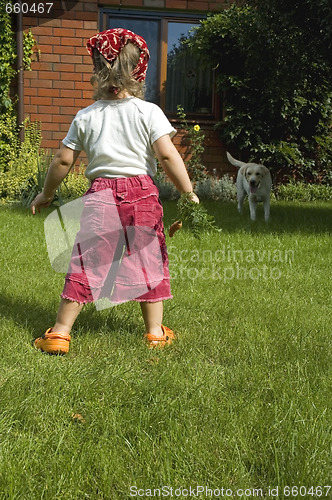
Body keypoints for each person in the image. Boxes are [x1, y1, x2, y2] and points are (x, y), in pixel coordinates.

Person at [31, 28, 199, 354]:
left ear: (97, 70)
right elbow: (167, 155)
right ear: (139, 70)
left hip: (101, 196)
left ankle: (60, 333)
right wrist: (187, 191)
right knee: (148, 261)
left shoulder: (86, 116)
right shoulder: (148, 112)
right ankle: (154, 334)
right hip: (143, 194)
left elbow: (63, 160)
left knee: (86, 262)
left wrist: (46, 194)